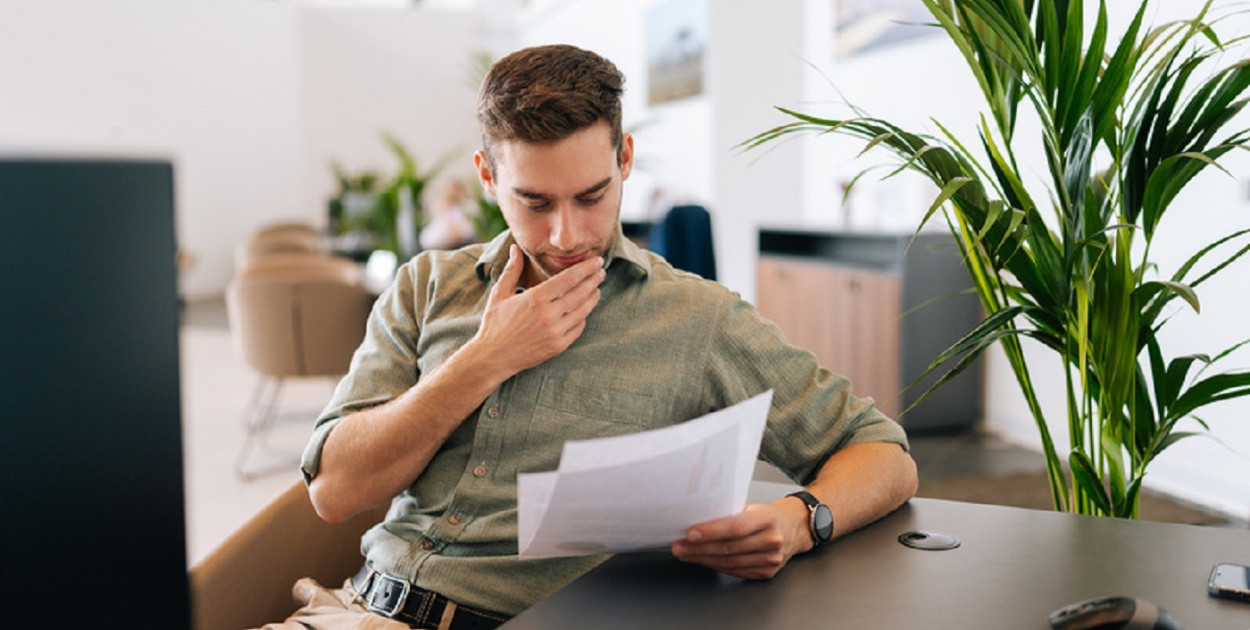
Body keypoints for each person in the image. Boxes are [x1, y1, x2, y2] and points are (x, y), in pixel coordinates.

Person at [269, 44, 918, 630]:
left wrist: (800, 520)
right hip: (357, 609)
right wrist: (483, 361)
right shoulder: (427, 286)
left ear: (624, 158)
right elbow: (334, 492)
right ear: (488, 178)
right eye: (536, 203)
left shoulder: (695, 317)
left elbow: (883, 453)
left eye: (591, 195)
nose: (567, 236)